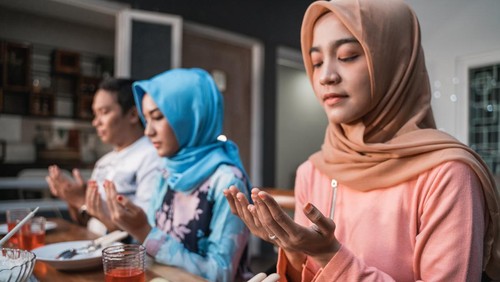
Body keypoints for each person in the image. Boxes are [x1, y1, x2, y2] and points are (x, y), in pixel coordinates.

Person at [224, 0, 500, 281]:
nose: (326, 77)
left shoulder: (448, 175)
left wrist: (329, 256)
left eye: (348, 56)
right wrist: (292, 247)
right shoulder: (313, 171)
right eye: (317, 62)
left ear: (394, 62)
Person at [93, 68, 252, 282]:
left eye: (157, 117)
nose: (148, 131)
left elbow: (220, 275)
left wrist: (143, 230)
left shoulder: (227, 181)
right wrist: (126, 224)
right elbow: (148, 247)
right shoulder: (167, 171)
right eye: (146, 119)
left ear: (190, 117)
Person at [46, 78, 161, 235]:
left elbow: (145, 231)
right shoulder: (103, 162)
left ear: (133, 114)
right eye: (95, 114)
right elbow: (88, 222)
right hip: (92, 244)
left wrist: (82, 201)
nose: (95, 122)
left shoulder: (152, 156)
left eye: (104, 112)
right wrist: (72, 199)